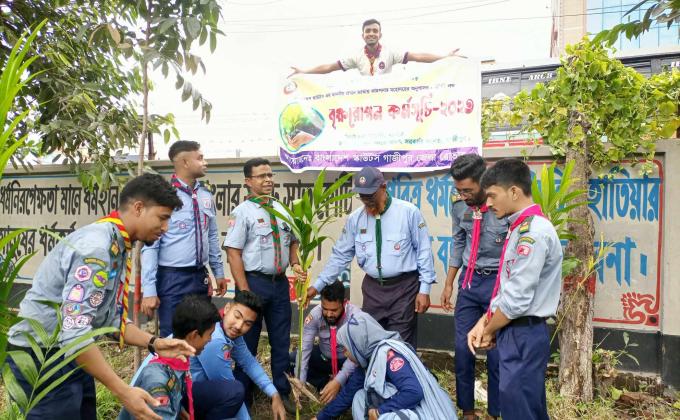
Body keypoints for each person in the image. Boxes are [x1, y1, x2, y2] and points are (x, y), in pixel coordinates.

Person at [7, 173, 195, 420]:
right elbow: (75, 332)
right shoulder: (96, 249)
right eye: (163, 218)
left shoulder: (117, 244)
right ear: (139, 208)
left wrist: (155, 343)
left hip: (72, 354)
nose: (166, 228)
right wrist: (124, 392)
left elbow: (107, 319)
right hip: (42, 358)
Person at [468, 158, 563, 420]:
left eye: (492, 195)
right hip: (515, 329)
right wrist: (484, 321)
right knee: (524, 406)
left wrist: (488, 330)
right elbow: (507, 288)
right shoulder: (520, 228)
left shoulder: (532, 233)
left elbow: (516, 300)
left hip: (523, 332)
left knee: (519, 408)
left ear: (513, 192)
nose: (487, 203)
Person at [307, 166, 436, 348]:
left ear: (383, 187)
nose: (367, 200)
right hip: (373, 290)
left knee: (400, 345)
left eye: (371, 195)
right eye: (362, 196)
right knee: (371, 343)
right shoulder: (355, 219)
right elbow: (340, 256)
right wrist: (317, 286)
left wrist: (424, 289)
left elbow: (424, 251)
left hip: (404, 289)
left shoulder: (408, 212)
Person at [223, 157, 305, 412]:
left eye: (270, 175)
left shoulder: (281, 209)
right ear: (248, 181)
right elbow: (233, 252)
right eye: (261, 176)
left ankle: (282, 390)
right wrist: (244, 291)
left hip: (279, 285)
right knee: (246, 342)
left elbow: (293, 240)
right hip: (253, 284)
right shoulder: (242, 212)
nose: (268, 180)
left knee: (281, 341)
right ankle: (242, 395)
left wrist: (295, 263)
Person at [440, 154, 506, 420]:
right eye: (459, 190)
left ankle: (495, 411)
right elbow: (458, 242)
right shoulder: (458, 205)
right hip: (469, 281)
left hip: (497, 283)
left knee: (495, 352)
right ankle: (467, 410)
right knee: (462, 348)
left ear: (483, 181)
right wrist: (449, 283)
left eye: (468, 190)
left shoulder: (501, 204)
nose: (463, 195)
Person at [141, 140, 227, 337]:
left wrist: (218, 272)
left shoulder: (205, 194)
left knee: (202, 333)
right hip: (172, 278)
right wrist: (149, 290)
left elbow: (212, 236)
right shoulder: (163, 196)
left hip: (200, 276)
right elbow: (151, 246)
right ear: (185, 162)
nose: (205, 162)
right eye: (200, 158)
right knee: (172, 335)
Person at [312, 311, 457, 420]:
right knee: (359, 397)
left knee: (387, 416)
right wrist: (320, 418)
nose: (344, 353)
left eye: (346, 348)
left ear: (358, 344)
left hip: (428, 412)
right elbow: (347, 395)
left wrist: (380, 411)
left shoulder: (389, 355)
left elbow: (414, 392)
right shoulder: (368, 360)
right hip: (410, 408)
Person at [119, 295, 221, 420]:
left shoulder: (178, 362)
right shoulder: (158, 381)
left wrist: (178, 409)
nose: (210, 339)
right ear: (194, 335)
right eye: (210, 334)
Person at [191, 290, 286, 420]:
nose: (239, 326)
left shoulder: (225, 327)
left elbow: (249, 362)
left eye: (247, 323)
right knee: (235, 391)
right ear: (227, 308)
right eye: (237, 316)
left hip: (191, 388)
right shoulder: (215, 338)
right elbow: (229, 392)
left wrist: (274, 393)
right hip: (177, 395)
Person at [290, 18, 461, 77]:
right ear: (363, 35)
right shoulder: (356, 56)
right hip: (366, 101)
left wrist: (444, 57)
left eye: (374, 31)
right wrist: (304, 71)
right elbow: (329, 67)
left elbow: (418, 56)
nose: (371, 33)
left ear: (380, 34)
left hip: (387, 97)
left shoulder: (390, 52)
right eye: (368, 31)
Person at [290, 280, 359, 405]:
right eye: (325, 309)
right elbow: (304, 350)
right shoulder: (315, 315)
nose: (329, 314)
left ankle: (339, 386)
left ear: (344, 302)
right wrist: (300, 383)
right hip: (325, 358)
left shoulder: (355, 317)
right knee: (292, 360)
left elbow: (357, 354)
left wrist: (339, 380)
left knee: (361, 373)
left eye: (334, 310)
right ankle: (325, 383)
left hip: (348, 360)